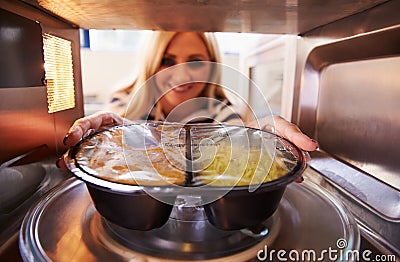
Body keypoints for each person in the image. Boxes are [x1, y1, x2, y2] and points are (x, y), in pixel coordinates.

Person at [57, 31, 318, 169]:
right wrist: (108, 140)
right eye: (167, 61)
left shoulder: (225, 114)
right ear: (150, 64)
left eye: (195, 62)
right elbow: (116, 135)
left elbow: (240, 136)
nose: (180, 76)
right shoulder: (123, 105)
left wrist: (261, 136)